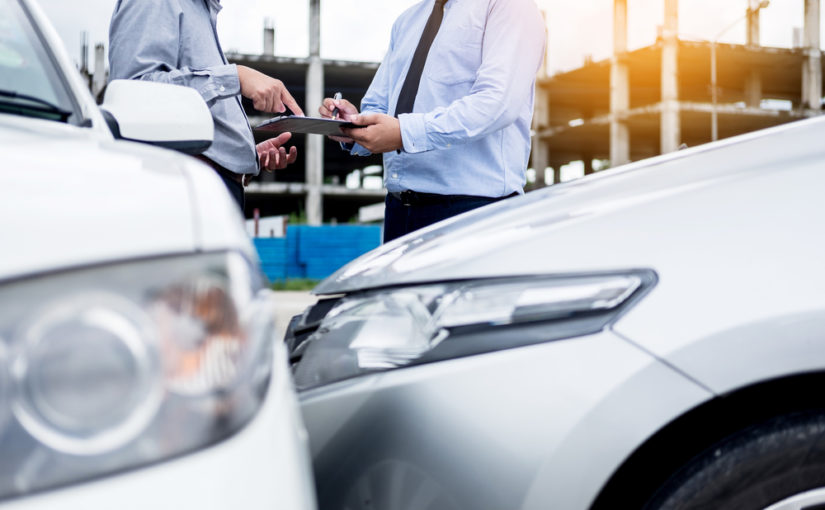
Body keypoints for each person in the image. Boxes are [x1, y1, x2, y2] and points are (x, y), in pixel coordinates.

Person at [320, 0, 546, 242]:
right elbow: (380, 105)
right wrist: (352, 123)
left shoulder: (509, 5)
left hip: (473, 210)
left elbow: (497, 103)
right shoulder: (407, 21)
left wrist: (403, 133)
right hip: (399, 211)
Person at [109, 0, 303, 211]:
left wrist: (240, 155)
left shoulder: (201, 12)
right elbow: (133, 93)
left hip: (209, 189)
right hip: (184, 193)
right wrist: (235, 77)